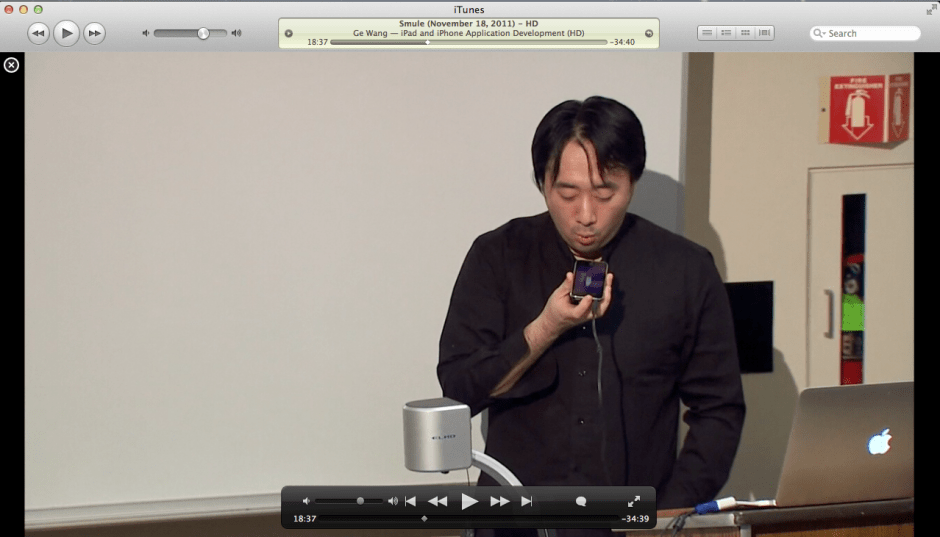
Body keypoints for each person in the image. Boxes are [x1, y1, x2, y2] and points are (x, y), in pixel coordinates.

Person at [437, 96, 745, 536]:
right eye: (567, 194)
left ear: (632, 182)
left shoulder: (685, 269)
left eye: (605, 194)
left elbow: (718, 410)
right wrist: (546, 327)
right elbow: (459, 390)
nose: (586, 215)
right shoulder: (498, 256)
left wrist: (669, 514)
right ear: (542, 183)